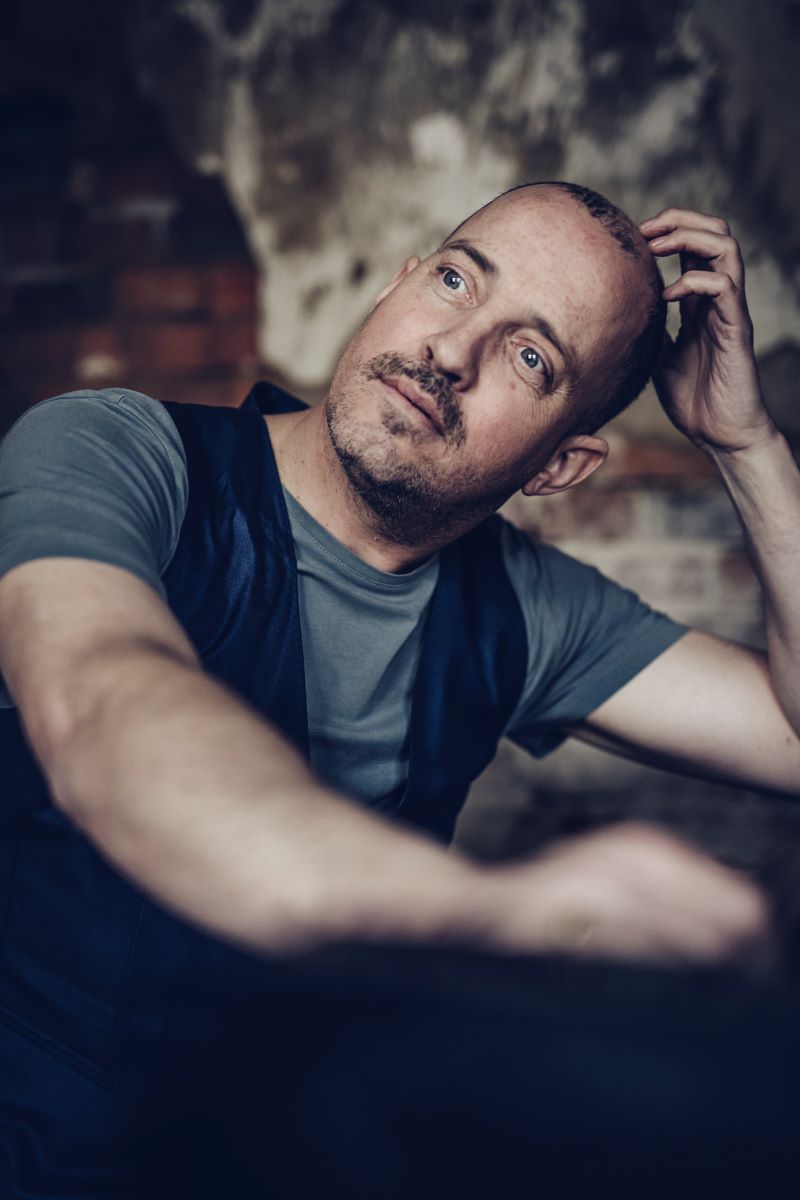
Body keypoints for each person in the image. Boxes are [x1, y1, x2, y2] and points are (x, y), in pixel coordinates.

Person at [0, 185, 797, 1163]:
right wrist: (481, 914)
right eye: (457, 281)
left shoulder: (526, 606)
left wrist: (745, 446)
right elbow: (102, 705)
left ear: (558, 466)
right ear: (397, 283)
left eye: (530, 356)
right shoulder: (115, 452)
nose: (451, 351)